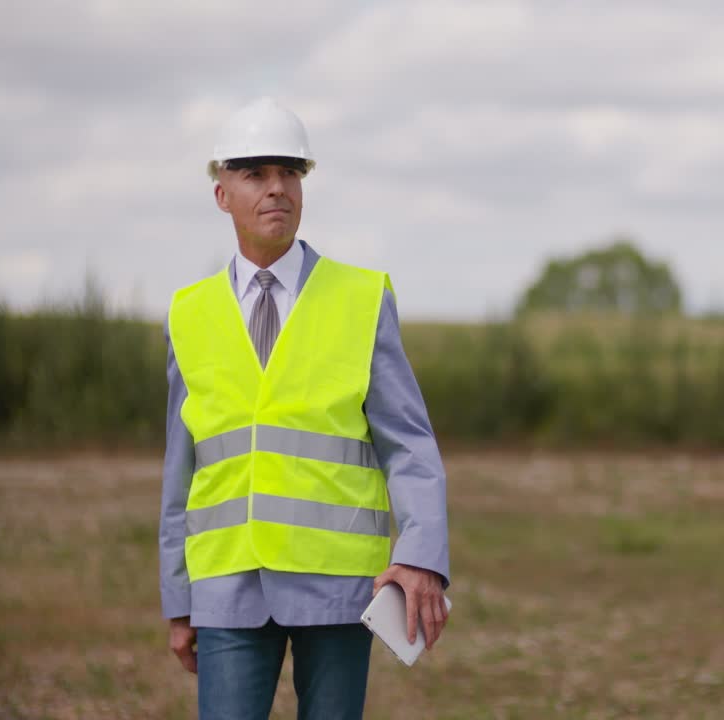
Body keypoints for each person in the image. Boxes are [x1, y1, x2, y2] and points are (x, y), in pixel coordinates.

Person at [158, 97, 450, 720]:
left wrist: (421, 554)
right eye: (255, 174)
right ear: (222, 195)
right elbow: (180, 472)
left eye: (290, 172)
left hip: (338, 586)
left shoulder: (362, 298)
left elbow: (409, 444)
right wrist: (178, 596)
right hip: (227, 585)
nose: (276, 189)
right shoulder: (188, 314)